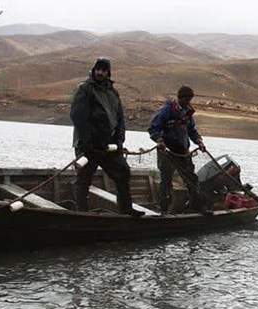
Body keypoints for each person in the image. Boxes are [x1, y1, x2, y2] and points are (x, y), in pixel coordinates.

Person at [70, 57, 144, 217]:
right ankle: (81, 213)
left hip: (109, 146)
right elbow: (78, 117)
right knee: (84, 178)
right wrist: (87, 142)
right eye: (98, 69)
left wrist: (119, 139)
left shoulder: (113, 92)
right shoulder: (85, 89)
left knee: (123, 173)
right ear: (93, 70)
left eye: (104, 70)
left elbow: (120, 119)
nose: (100, 73)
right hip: (88, 145)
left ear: (108, 72)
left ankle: (126, 209)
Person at [149, 85, 212, 215]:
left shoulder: (188, 112)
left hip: (183, 152)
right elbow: (154, 128)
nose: (188, 103)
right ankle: (163, 210)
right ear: (180, 98)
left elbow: (191, 131)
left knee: (192, 179)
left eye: (190, 100)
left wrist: (199, 141)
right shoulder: (167, 110)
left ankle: (198, 207)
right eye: (186, 100)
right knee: (166, 181)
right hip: (166, 152)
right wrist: (159, 141)